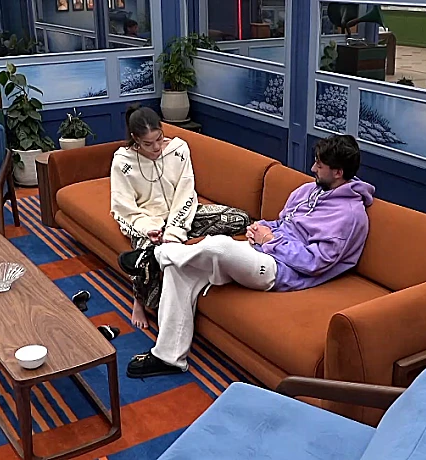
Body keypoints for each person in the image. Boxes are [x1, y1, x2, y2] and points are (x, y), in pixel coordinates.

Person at [118, 134, 375, 379]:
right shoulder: (308, 190)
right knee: (180, 269)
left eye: (319, 164)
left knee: (219, 246)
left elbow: (315, 262)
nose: (312, 168)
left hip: (281, 271)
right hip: (260, 251)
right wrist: (260, 228)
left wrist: (271, 241)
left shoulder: (350, 216)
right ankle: (168, 357)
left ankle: (155, 255)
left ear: (338, 172)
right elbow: (282, 223)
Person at [110, 104, 251, 329]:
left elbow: (186, 191)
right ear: (135, 139)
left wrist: (174, 231)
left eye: (159, 138)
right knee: (144, 262)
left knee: (239, 219)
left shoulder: (179, 149)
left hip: (184, 215)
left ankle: (173, 244)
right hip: (148, 222)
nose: (156, 147)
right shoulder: (122, 162)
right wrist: (149, 229)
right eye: (148, 143)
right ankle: (138, 301)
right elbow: (123, 208)